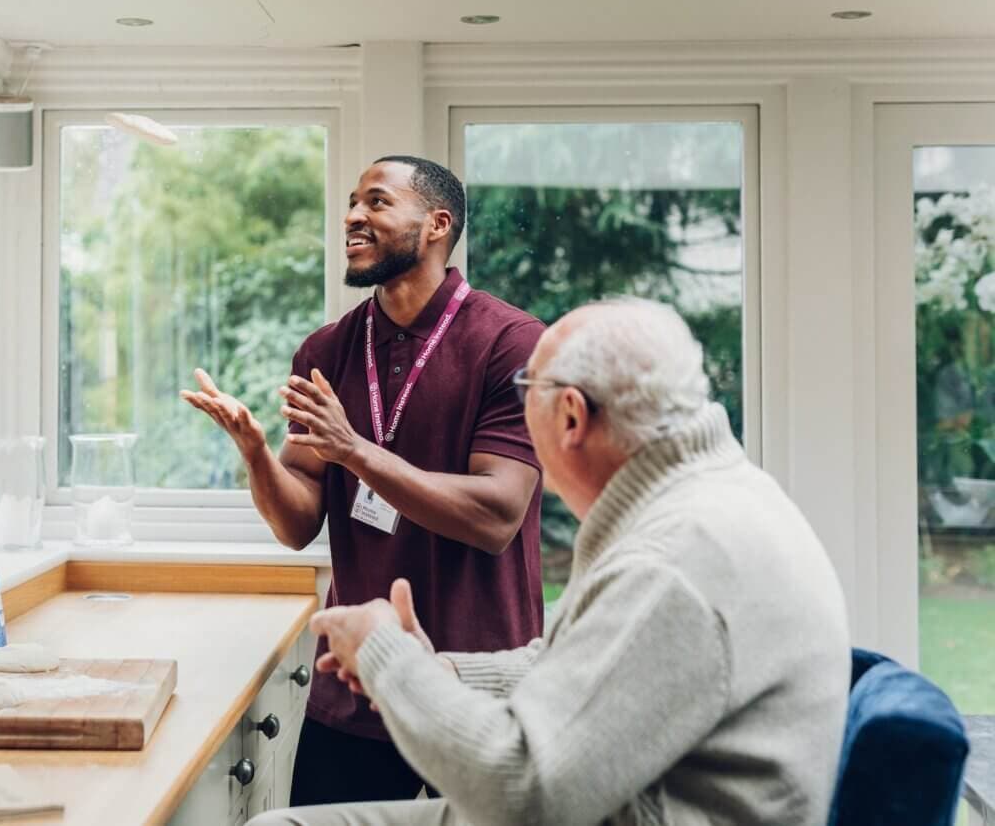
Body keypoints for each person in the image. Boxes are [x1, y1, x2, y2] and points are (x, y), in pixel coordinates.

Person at [247, 298, 851, 826]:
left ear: (569, 416)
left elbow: (523, 796)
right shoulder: (713, 498)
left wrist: (387, 657)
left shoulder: (671, 560)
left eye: (523, 394)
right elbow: (599, 665)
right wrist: (450, 673)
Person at [181, 156, 546, 805]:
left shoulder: (511, 342)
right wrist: (258, 455)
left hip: (474, 696)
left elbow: (496, 516)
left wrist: (354, 449)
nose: (353, 215)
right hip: (350, 698)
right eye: (352, 202)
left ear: (436, 224)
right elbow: (297, 525)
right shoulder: (326, 351)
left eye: (377, 202)